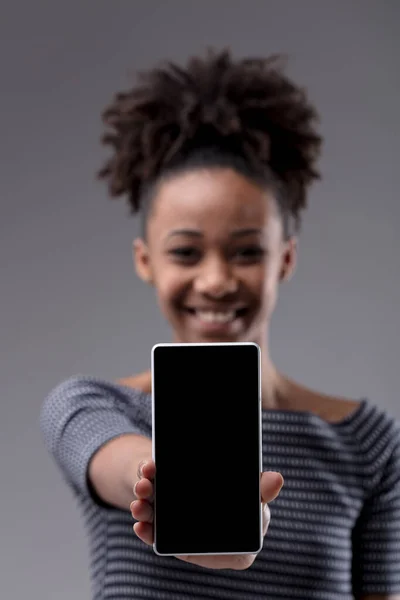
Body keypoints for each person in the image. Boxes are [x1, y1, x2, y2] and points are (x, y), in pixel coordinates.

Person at [40, 49, 400, 600]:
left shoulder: (367, 443)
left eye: (246, 252)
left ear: (285, 258)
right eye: (186, 252)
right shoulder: (91, 405)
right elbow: (114, 460)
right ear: (146, 260)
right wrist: (171, 487)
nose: (215, 281)